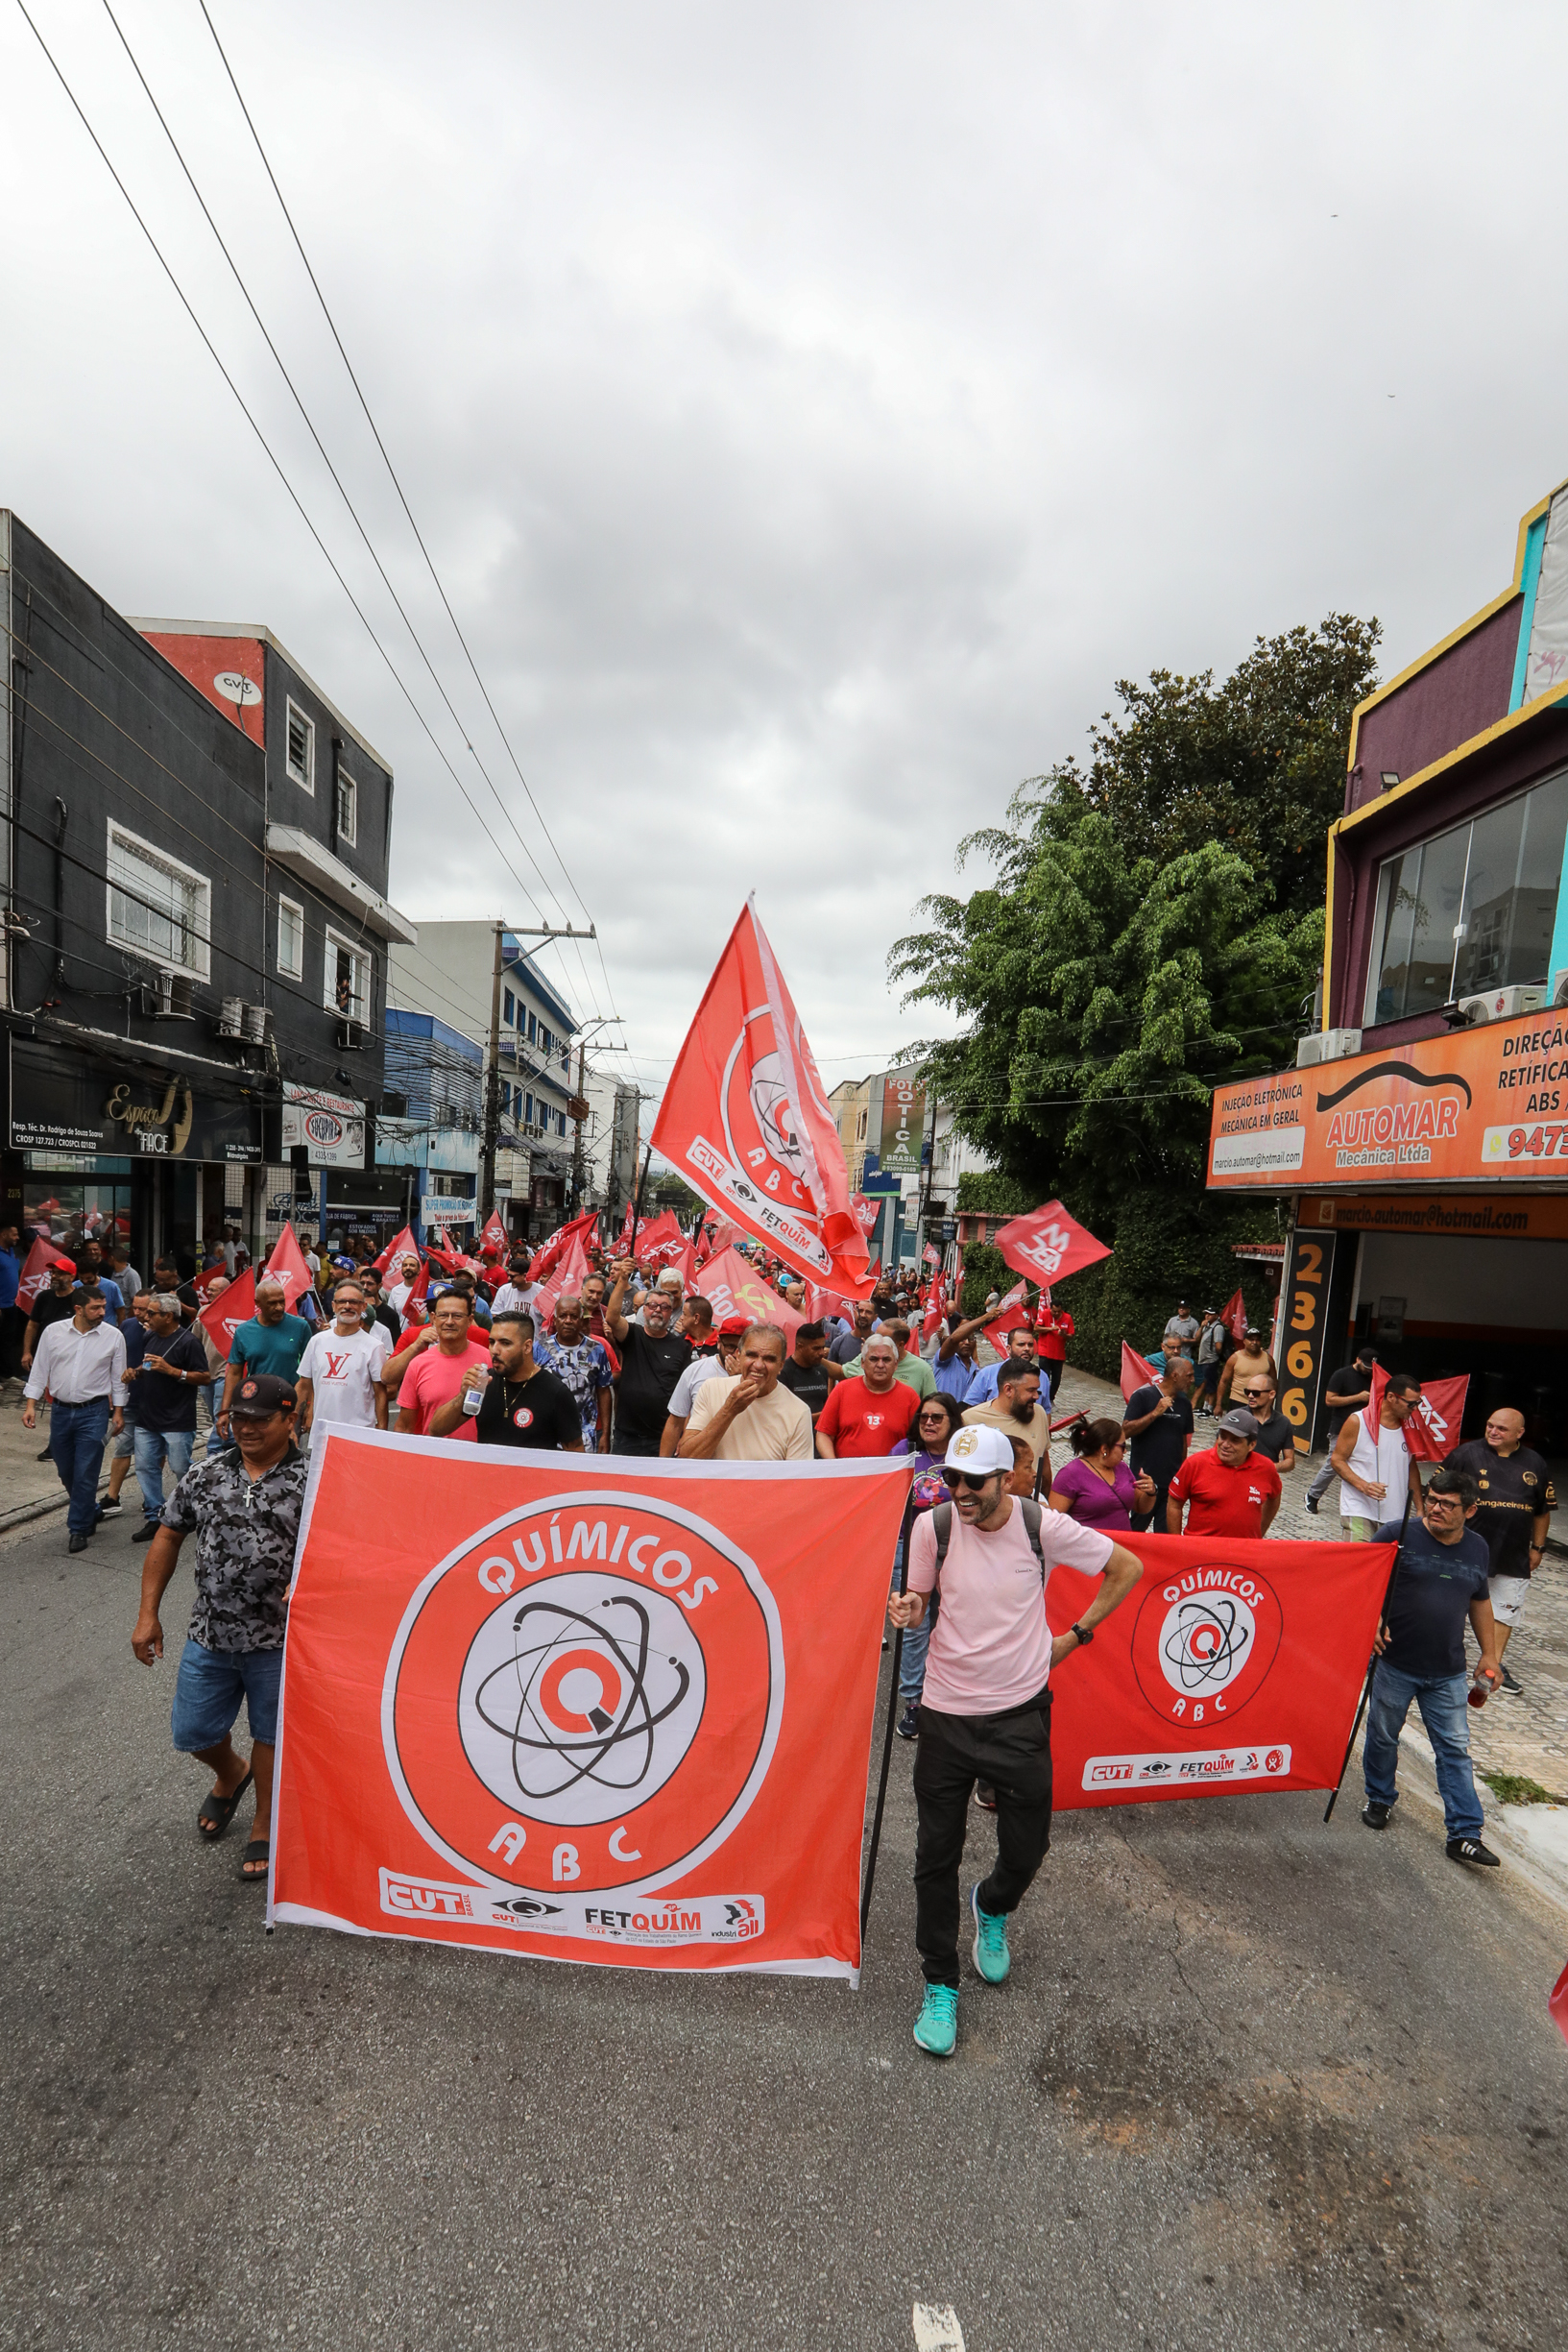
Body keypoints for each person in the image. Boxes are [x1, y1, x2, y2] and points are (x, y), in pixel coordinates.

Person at [888, 1423, 1143, 2058]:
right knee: (933, 1856)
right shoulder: (934, 1527)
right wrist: (908, 1610)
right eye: (952, 1478)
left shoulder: (1040, 1526)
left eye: (974, 1481)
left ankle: (992, 1905)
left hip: (1019, 1713)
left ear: (1006, 1477)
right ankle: (939, 1982)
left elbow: (1125, 1566)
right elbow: (920, 1599)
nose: (961, 1492)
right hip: (945, 1716)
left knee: (1027, 1849)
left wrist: (1075, 1635)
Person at [131, 1371, 306, 1882]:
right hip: (210, 1635)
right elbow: (168, 1535)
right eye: (237, 1419)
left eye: (259, 1419)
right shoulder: (206, 1475)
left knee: (271, 1735)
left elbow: (348, 1548)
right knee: (193, 1732)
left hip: (281, 1641)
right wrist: (147, 1614)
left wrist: (316, 1578)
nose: (245, 1429)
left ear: (290, 1420)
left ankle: (264, 1822)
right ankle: (232, 1773)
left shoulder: (316, 1480)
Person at [1362, 1467, 1503, 1869]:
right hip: (1394, 1662)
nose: (1434, 1509)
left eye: (1446, 1504)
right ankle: (1380, 1797)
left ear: (1470, 1510)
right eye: (1431, 1499)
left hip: (1448, 1670)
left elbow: (1479, 1599)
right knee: (1385, 1735)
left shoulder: (1477, 1548)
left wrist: (1490, 1654)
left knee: (1454, 1748)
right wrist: (1371, 1621)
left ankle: (1464, 1833)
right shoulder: (1395, 1534)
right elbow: (1362, 1580)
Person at [1445, 1408, 1556, 1696]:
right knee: (1451, 1603)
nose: (1493, 1432)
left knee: (1505, 1610)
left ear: (1520, 1433)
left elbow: (1542, 1512)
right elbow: (1439, 1493)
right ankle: (1442, 1658)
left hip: (1513, 1552)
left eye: (1501, 1429)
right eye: (1490, 1425)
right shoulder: (1465, 1455)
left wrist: (1538, 1547)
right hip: (1466, 1548)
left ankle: (1492, 1667)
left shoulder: (1536, 1463)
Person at [22, 1286, 128, 1552]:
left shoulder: (113, 1336)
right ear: (78, 1309)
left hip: (93, 1413)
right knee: (65, 1470)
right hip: (60, 1411)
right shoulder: (54, 1332)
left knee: (85, 1472)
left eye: (104, 1306)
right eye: (96, 1307)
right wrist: (30, 1405)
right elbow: (40, 1370)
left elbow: (118, 1378)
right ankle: (90, 1509)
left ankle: (78, 1528)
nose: (102, 1312)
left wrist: (118, 1412)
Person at [126, 1289, 211, 1542]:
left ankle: (196, 1507)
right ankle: (155, 1514)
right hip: (148, 1416)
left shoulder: (188, 1342)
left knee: (180, 1467)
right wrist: (137, 1372)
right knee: (145, 1466)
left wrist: (173, 1371)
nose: (145, 1317)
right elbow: (151, 1364)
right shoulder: (150, 1337)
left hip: (177, 1419)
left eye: (151, 1313)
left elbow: (204, 1377)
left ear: (168, 1316)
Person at [430, 1311, 583, 1448]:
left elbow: (574, 1452)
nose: (495, 1350)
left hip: (533, 1478)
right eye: (492, 1342)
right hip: (489, 1477)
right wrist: (462, 1395)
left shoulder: (555, 1392)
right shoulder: (484, 1382)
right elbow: (437, 1430)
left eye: (505, 1343)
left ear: (527, 1347)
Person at [679, 1324, 813, 1461]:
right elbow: (687, 1458)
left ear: (781, 1365)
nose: (759, 1365)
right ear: (738, 1356)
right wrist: (728, 1411)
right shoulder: (710, 1389)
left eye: (769, 1359)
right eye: (751, 1355)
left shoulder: (799, 1412)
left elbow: (796, 1479)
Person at [605, 1257, 691, 1456]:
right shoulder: (632, 1334)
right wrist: (622, 1281)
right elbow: (611, 1318)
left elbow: (686, 1394)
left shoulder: (681, 1346)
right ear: (644, 1309)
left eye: (664, 1307)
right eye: (652, 1305)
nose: (658, 1311)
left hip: (663, 1437)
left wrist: (684, 1433)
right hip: (627, 1436)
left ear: (671, 1312)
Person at [1329, 1371, 1423, 1540]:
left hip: (1395, 1516)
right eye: (1411, 1404)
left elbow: (1411, 1468)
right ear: (1391, 1397)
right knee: (1358, 1562)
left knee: (1387, 1565)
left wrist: (1420, 1508)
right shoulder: (1358, 1421)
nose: (1415, 1408)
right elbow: (1337, 1459)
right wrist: (1363, 1485)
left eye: (1418, 1403)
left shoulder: (1410, 1428)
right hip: (1359, 1510)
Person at [218, 1279, 312, 1444]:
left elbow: (311, 1372)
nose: (279, 1307)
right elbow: (234, 1372)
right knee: (259, 1448)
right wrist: (225, 1411)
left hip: (291, 1403)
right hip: (256, 1403)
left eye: (282, 1301)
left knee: (289, 1448)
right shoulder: (244, 1331)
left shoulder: (301, 1326)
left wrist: (310, 1407)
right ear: (258, 1303)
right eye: (272, 1303)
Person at [391, 1291, 494, 1440]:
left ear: (470, 1320)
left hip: (478, 1458)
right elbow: (404, 1427)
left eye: (457, 1316)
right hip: (434, 1457)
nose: (449, 1322)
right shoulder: (417, 1365)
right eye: (443, 1315)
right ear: (433, 1318)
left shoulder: (488, 1359)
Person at [295, 1279, 389, 1437]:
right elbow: (304, 1384)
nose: (347, 1306)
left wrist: (382, 1431)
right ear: (333, 1306)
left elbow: (380, 1393)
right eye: (342, 1301)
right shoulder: (317, 1341)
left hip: (359, 1434)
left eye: (353, 1302)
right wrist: (292, 1421)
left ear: (363, 1307)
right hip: (321, 1433)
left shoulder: (374, 1347)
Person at [1167, 1410, 1282, 1537]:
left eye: (1235, 1440)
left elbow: (1275, 1496)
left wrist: (1259, 1531)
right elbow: (1174, 1504)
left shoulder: (1266, 1468)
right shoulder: (1195, 1464)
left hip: (1243, 1553)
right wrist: (1177, 1543)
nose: (1225, 1444)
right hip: (1200, 1552)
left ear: (1252, 1445)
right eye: (1223, 1436)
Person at [816, 1331, 922, 1458]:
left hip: (893, 1476)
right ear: (862, 1363)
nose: (880, 1365)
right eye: (874, 1359)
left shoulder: (910, 1397)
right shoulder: (841, 1390)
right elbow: (824, 1434)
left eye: (887, 1359)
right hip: (848, 1475)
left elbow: (920, 1440)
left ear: (895, 1365)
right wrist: (834, 1467)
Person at [1121, 1356, 1194, 1532]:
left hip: (1170, 1484)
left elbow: (1183, 1442)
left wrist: (1181, 1474)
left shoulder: (1184, 1404)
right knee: (1136, 1530)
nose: (1192, 1380)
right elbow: (1125, 1431)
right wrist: (1155, 1413)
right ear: (1175, 1375)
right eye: (1189, 1376)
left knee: (1165, 1536)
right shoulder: (1143, 1396)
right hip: (1145, 1481)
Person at [536, 1291, 615, 1451]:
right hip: (545, 1436)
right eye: (563, 1316)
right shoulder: (540, 1349)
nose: (568, 1321)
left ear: (581, 1320)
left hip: (584, 1437)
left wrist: (605, 1434)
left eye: (573, 1316)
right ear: (555, 1319)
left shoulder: (597, 1350)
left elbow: (604, 1392)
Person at [1303, 1345, 1379, 1514]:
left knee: (1364, 1463)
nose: (1368, 1371)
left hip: (1366, 1428)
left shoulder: (1374, 1376)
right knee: (1334, 1463)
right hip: (1341, 1427)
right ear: (1357, 1360)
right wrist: (1358, 1397)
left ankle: (1363, 1501)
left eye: (1371, 1368)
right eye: (1365, 1366)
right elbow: (1330, 1400)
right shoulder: (1341, 1375)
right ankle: (1312, 1495)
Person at [1049, 1418, 1154, 1533]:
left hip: (1123, 1546)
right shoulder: (1070, 1474)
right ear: (1104, 1449)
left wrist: (1150, 1492)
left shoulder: (1122, 1468)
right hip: (1088, 1547)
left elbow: (1140, 1507)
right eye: (1122, 1446)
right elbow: (1053, 1522)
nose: (1125, 1452)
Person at [660, 1317, 747, 1455]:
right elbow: (675, 1422)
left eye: (741, 1349)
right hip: (700, 1455)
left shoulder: (756, 1375)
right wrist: (663, 1464)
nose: (735, 1354)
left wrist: (740, 1378)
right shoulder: (696, 1370)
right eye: (730, 1347)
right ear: (718, 1343)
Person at [963, 1359, 1051, 1482]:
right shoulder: (970, 1420)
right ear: (1008, 1390)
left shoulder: (1039, 1414)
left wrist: (1046, 1500)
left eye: (1037, 1390)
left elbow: (1045, 1466)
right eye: (1031, 1390)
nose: (1036, 1396)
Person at [20, 1255, 81, 1372]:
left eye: (59, 1273)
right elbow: (32, 1325)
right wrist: (27, 1352)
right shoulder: (44, 1296)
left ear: (72, 1276)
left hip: (69, 1356)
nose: (54, 1276)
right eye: (52, 1273)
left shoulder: (80, 1298)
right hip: (44, 1353)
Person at [778, 1320, 839, 1427]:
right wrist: (817, 1417)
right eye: (816, 1348)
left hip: (819, 1438)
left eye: (822, 1347)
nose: (821, 1353)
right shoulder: (783, 1372)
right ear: (800, 1347)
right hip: (795, 1438)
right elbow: (780, 1415)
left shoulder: (822, 1370)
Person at [1234, 1371, 1295, 1474]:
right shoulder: (1236, 1417)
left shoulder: (1283, 1423)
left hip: (1266, 1482)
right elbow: (1218, 1450)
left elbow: (1290, 1461)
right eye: (1247, 1391)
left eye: (1256, 1393)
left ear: (1271, 1394)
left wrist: (1270, 1467)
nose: (1250, 1396)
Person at [965, 1326, 1040, 1409]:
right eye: (1021, 1344)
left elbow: (1046, 1411)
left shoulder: (1042, 1377)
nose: (1027, 1349)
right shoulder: (987, 1374)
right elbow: (971, 1408)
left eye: (1030, 1345)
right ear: (1008, 1348)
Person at [1215, 1324, 1275, 1414]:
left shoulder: (1268, 1359)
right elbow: (1224, 1381)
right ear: (1244, 1341)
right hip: (1238, 1401)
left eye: (1257, 1340)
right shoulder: (1235, 1358)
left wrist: (1270, 1402)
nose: (1254, 1342)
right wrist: (1218, 1404)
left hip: (1260, 1402)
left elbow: (1273, 1382)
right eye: (1251, 1339)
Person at [1034, 1300, 1073, 1404]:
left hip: (1058, 1354)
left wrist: (1064, 1335)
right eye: (1054, 1311)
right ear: (1050, 1308)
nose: (1056, 1313)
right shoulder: (1045, 1313)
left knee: (1056, 1381)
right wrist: (1051, 1328)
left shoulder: (1067, 1318)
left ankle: (1050, 1398)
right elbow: (1036, 1328)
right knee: (1045, 1377)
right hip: (1045, 1351)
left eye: (1058, 1312)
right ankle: (1043, 1398)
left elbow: (1071, 1335)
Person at [1194, 1311, 1225, 1418]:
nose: (1207, 1316)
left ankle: (1210, 1407)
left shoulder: (1218, 1327)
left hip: (1211, 1359)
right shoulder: (1207, 1327)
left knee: (1210, 1384)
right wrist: (1201, 1327)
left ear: (1216, 1316)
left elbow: (1219, 1345)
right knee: (1205, 1384)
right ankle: (1205, 1406)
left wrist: (1215, 1355)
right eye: (1206, 1313)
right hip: (1203, 1360)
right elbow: (1196, 1339)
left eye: (1210, 1314)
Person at [830, 1299, 879, 1367]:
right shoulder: (838, 1342)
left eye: (868, 1312)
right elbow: (830, 1373)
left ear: (875, 1317)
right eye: (860, 1311)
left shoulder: (880, 1343)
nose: (863, 1315)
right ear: (854, 1313)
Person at [386, 1250, 423, 1317]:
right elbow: (389, 1315)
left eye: (412, 1265)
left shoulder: (426, 1289)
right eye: (405, 1265)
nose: (408, 1268)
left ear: (419, 1270)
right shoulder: (395, 1291)